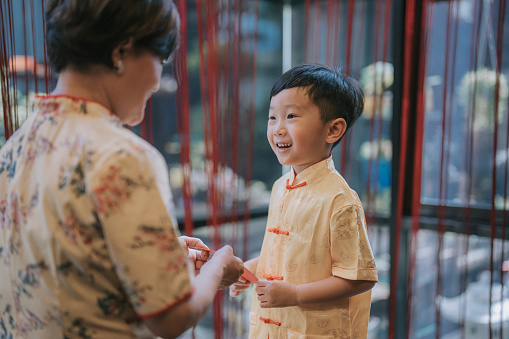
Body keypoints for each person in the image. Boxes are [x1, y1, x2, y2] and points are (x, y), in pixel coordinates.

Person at [0, 1, 244, 338]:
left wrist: (161, 252)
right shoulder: (124, 156)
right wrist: (217, 268)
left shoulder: (13, 150)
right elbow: (172, 317)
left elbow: (60, 259)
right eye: (160, 60)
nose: (158, 81)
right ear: (122, 51)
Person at [229, 64, 378, 338]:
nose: (278, 129)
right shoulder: (279, 187)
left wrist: (295, 294)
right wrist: (250, 268)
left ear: (333, 130)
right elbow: (284, 252)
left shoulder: (340, 200)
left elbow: (357, 278)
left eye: (291, 116)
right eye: (272, 117)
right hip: (271, 325)